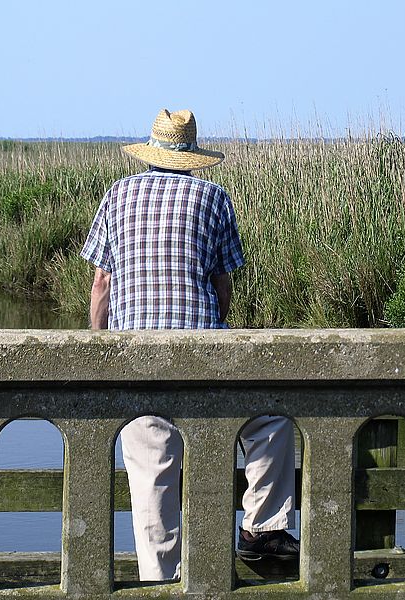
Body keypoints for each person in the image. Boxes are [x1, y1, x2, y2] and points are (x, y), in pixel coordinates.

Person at [80, 108, 299, 581]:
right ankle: (262, 528)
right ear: (194, 155)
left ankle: (162, 579)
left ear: (150, 152)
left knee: (153, 473)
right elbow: (222, 283)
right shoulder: (213, 197)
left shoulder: (118, 194)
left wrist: (100, 347)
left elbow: (101, 283)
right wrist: (214, 326)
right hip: (203, 356)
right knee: (271, 421)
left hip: (136, 356)